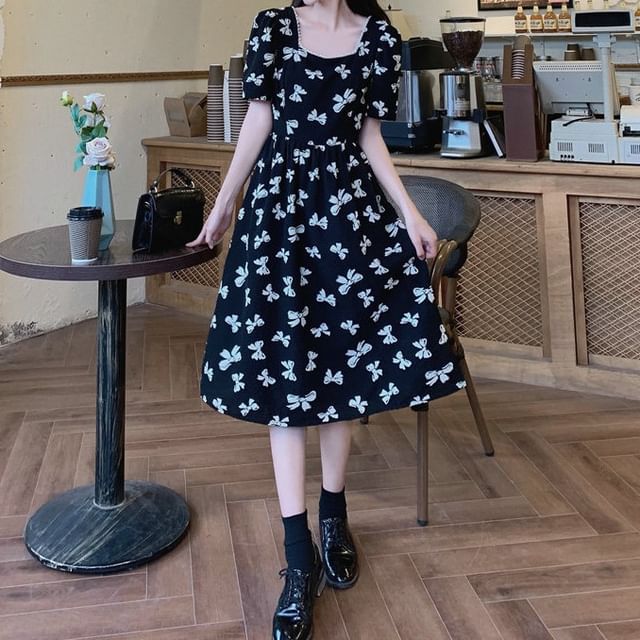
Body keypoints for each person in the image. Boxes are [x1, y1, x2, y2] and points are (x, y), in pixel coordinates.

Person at [187, 1, 466, 638]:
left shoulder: (379, 38)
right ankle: (297, 556)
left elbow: (368, 135)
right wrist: (225, 202)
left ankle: (334, 516)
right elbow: (260, 116)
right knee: (286, 382)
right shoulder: (273, 27)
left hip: (348, 219)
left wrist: (411, 214)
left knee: (341, 373)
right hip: (279, 218)